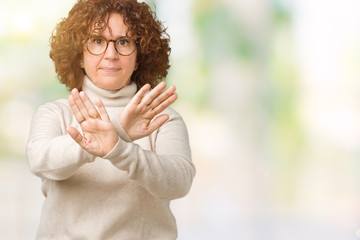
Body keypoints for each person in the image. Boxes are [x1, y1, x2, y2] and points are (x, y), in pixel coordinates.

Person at [26, 0, 195, 239]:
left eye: (123, 42)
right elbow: (40, 161)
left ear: (140, 55)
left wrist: (119, 149)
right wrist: (119, 131)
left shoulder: (160, 118)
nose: (111, 54)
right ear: (80, 56)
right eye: (97, 41)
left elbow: (178, 183)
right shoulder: (55, 113)